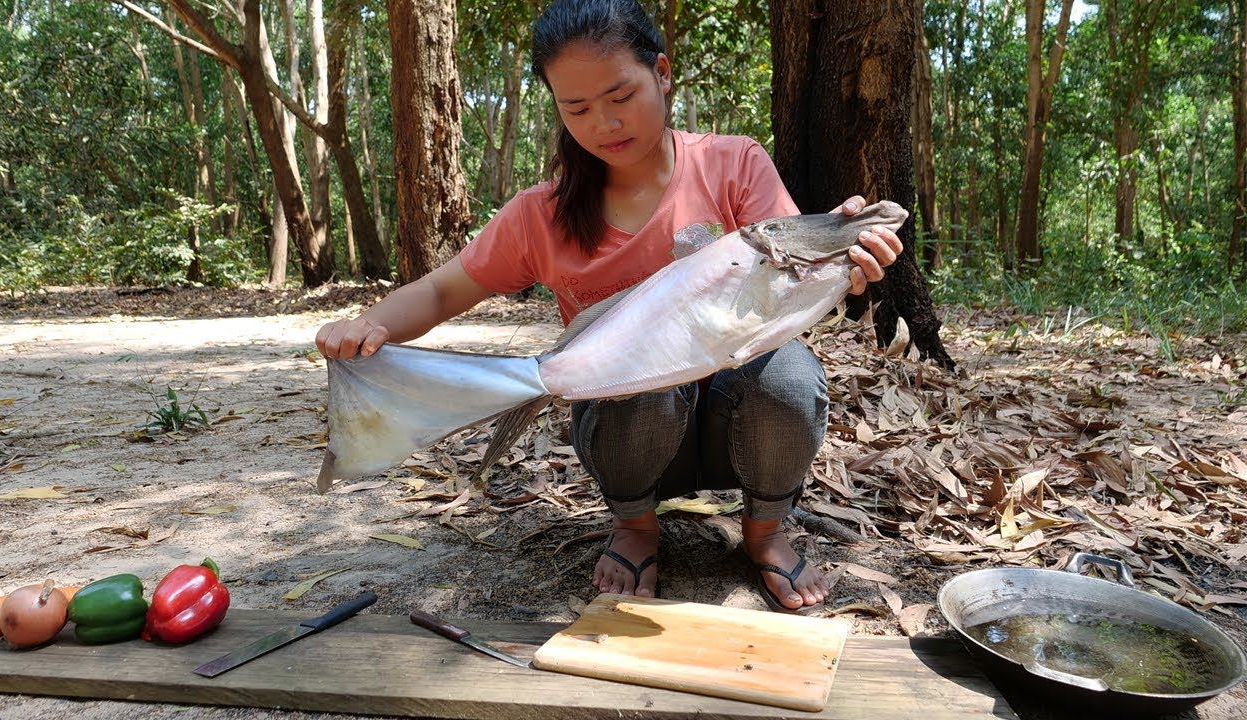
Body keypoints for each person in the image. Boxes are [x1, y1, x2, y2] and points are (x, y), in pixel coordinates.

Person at [316, 0, 903, 613]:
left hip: (738, 425)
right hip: (632, 435)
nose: (603, 123)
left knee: (790, 374)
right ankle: (635, 527)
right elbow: (442, 290)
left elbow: (788, 270)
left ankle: (765, 531)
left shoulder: (730, 164)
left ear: (663, 73)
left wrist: (848, 271)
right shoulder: (539, 214)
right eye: (577, 108)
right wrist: (370, 324)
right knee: (636, 376)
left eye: (621, 96)